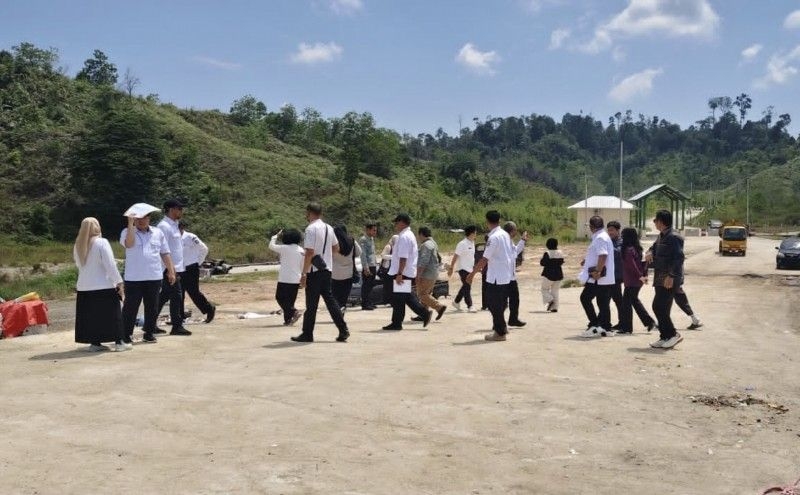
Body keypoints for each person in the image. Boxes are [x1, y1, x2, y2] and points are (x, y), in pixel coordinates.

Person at [291, 202, 350, 343]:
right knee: (330, 301)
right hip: (327, 269)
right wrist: (324, 257)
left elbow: (309, 252)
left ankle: (307, 334)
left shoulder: (311, 229)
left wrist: (304, 274)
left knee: (311, 304)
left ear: (309, 212)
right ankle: (343, 329)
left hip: (315, 271)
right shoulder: (329, 228)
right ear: (321, 213)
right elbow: (336, 248)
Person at [74, 217, 129, 352]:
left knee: (92, 317)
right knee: (113, 316)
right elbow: (110, 265)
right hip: (103, 286)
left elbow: (78, 265)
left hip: (84, 287)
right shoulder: (102, 242)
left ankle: (95, 343)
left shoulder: (78, 244)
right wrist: (119, 281)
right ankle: (119, 342)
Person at [120, 211, 176, 344]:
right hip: (134, 277)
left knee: (152, 306)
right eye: (138, 218)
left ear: (149, 218)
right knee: (130, 307)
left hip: (154, 276)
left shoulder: (157, 233)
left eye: (144, 218)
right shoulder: (127, 231)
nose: (141, 221)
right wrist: (130, 223)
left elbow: (165, 252)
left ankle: (149, 332)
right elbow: (128, 244)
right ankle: (125, 334)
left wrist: (171, 270)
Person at [467, 210, 516, 342]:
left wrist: (472, 274)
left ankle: (500, 333)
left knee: (493, 304)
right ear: (499, 220)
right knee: (499, 303)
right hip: (505, 275)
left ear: (487, 221)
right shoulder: (505, 234)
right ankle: (502, 328)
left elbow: (484, 259)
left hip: (495, 276)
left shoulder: (493, 238)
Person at [382, 213, 431, 331]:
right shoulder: (408, 235)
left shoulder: (404, 237)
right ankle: (424, 314)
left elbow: (403, 257)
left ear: (402, 222)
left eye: (397, 222)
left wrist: (399, 274)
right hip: (406, 271)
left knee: (398, 299)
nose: (395, 225)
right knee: (407, 297)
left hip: (403, 272)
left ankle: (397, 323)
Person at [646, 209, 685, 349]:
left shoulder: (673, 237)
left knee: (658, 306)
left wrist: (671, 276)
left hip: (669, 278)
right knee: (662, 308)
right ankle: (665, 336)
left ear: (661, 222)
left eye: (655, 220)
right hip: (660, 277)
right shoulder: (662, 236)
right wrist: (649, 252)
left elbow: (679, 258)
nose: (654, 223)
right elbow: (653, 247)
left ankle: (673, 334)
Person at [156, 199, 191, 336]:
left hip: (176, 267)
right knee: (176, 296)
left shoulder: (174, 225)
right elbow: (162, 249)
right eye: (179, 209)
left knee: (164, 296)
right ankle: (177, 325)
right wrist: (169, 269)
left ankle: (150, 324)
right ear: (171, 210)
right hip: (169, 268)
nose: (181, 211)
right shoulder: (163, 226)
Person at [578, 215, 615, 338]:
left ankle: (594, 325)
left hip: (598, 278)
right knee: (603, 303)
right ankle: (606, 327)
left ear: (591, 227)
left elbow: (603, 255)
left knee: (585, 298)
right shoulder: (603, 236)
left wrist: (597, 271)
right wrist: (587, 260)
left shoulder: (600, 238)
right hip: (604, 278)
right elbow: (598, 254)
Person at [617, 227, 656, 334]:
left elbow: (632, 266)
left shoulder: (628, 250)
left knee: (627, 303)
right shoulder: (637, 248)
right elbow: (644, 263)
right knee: (633, 301)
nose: (621, 236)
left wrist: (641, 276)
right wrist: (644, 275)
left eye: (623, 234)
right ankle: (648, 322)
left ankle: (627, 328)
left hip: (632, 280)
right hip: (637, 280)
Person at [179, 221, 216, 324]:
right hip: (179, 268)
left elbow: (204, 249)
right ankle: (179, 316)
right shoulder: (173, 239)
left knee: (194, 292)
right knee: (178, 294)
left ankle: (209, 309)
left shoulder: (190, 237)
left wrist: (198, 262)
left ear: (182, 228)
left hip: (191, 267)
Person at [269, 228, 305, 325]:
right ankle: (288, 320)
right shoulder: (301, 250)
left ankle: (294, 312)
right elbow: (302, 266)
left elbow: (271, 246)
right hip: (296, 279)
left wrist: (275, 236)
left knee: (280, 298)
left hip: (284, 278)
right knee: (290, 301)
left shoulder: (284, 248)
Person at [415, 226, 446, 321]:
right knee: (427, 293)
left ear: (421, 234)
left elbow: (424, 261)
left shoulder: (426, 245)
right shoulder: (433, 243)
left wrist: (418, 274)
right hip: (433, 273)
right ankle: (424, 314)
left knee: (422, 294)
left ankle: (439, 307)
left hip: (427, 274)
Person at [502, 221, 527, 327]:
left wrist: (523, 240)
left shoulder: (510, 241)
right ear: (512, 231)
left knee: (515, 300)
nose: (516, 231)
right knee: (503, 302)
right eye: (515, 230)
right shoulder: (504, 241)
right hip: (504, 277)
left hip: (511, 277)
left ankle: (513, 319)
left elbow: (515, 252)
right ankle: (498, 322)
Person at [331, 225, 361, 311]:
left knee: (335, 295)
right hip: (348, 273)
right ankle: (342, 309)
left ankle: (337, 311)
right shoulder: (352, 241)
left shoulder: (332, 243)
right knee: (344, 296)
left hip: (334, 273)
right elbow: (359, 253)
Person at [448, 225, 477, 312]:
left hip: (470, 268)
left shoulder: (472, 243)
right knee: (467, 286)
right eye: (475, 233)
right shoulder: (462, 244)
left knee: (465, 286)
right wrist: (451, 268)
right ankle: (470, 306)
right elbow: (455, 256)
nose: (476, 234)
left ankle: (456, 301)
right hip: (462, 268)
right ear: (471, 233)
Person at [606, 221, 623, 329]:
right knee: (605, 300)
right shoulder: (609, 241)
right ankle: (604, 321)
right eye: (608, 230)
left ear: (618, 230)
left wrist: (607, 247)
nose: (610, 232)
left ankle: (622, 322)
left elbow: (618, 252)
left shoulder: (621, 241)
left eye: (612, 230)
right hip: (608, 275)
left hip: (616, 276)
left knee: (618, 300)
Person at [539, 237, 564, 312]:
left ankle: (550, 300)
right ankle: (555, 307)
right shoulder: (560, 252)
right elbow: (561, 262)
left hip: (549, 274)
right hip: (559, 274)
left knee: (544, 289)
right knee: (555, 291)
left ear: (548, 245)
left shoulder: (547, 253)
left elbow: (542, 263)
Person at [359, 222, 379, 310]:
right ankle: (365, 303)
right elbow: (363, 255)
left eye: (375, 230)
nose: (375, 232)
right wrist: (366, 267)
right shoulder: (363, 240)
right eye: (373, 230)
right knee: (366, 285)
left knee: (371, 285)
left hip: (373, 264)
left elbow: (373, 253)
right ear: (368, 230)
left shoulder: (371, 239)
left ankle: (370, 302)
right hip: (368, 266)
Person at [378, 235, 398, 305]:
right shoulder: (388, 247)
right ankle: (386, 300)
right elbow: (383, 255)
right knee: (387, 285)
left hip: (393, 269)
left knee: (391, 286)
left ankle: (390, 301)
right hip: (387, 269)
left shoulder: (397, 247)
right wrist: (393, 257)